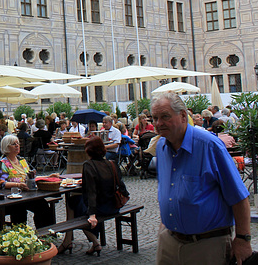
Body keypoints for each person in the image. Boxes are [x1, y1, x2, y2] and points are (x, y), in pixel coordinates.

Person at [152, 92, 251, 265]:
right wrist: (165, 225)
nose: (159, 123)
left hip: (207, 245)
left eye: (165, 117)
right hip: (169, 241)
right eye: (155, 118)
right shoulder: (161, 146)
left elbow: (239, 197)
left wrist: (243, 238)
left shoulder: (209, 146)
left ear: (183, 116)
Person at [58, 137, 128, 256]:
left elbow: (91, 192)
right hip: (115, 205)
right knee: (76, 202)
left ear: (88, 151)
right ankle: (90, 242)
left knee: (71, 203)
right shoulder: (112, 163)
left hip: (100, 207)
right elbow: (119, 184)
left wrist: (92, 215)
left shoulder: (89, 165)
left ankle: (71, 240)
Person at [0, 135, 54, 229]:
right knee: (19, 209)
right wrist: (18, 185)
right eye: (13, 144)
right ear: (6, 147)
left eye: (17, 143)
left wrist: (48, 176)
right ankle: (20, 236)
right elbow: (1, 183)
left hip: (26, 194)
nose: (17, 145)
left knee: (43, 206)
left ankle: (45, 234)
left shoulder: (22, 160)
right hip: (11, 196)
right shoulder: (2, 163)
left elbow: (30, 176)